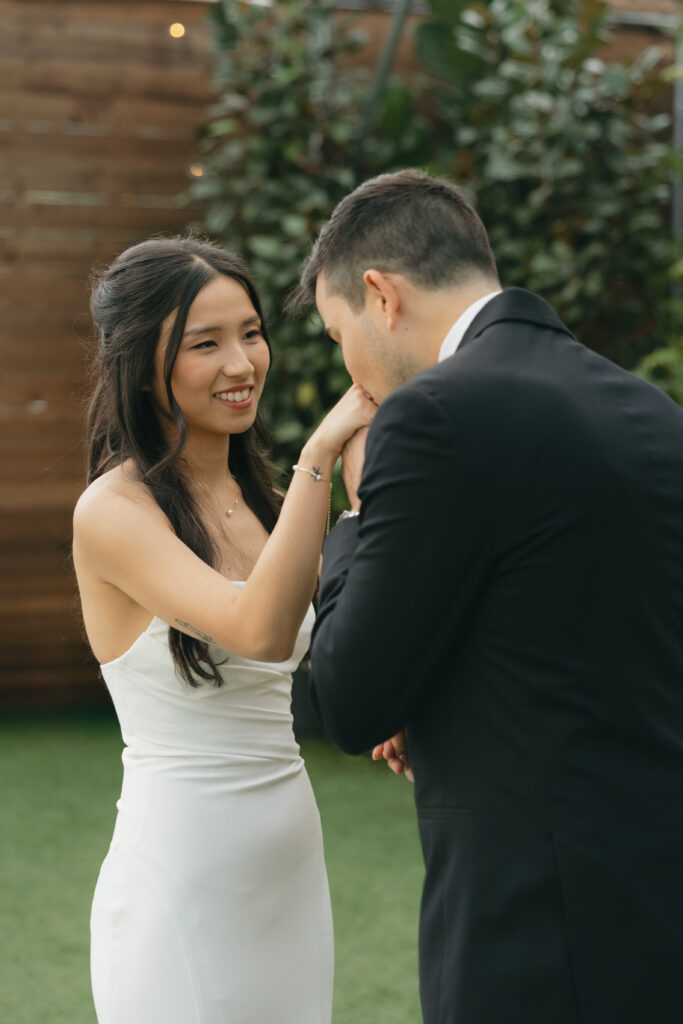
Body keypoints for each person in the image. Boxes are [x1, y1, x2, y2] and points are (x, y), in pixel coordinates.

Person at [297, 169, 683, 1023]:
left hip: (531, 922)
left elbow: (350, 701)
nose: (349, 368)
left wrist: (356, 512)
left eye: (335, 336)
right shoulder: (648, 409)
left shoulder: (432, 415)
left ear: (379, 295)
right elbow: (563, 624)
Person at [72, 234, 376, 1024]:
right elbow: (262, 630)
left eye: (250, 332)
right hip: (184, 871)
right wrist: (321, 453)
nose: (242, 364)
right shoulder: (113, 512)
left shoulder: (263, 499)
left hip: (287, 863)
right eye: (206, 344)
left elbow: (333, 630)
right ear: (142, 365)